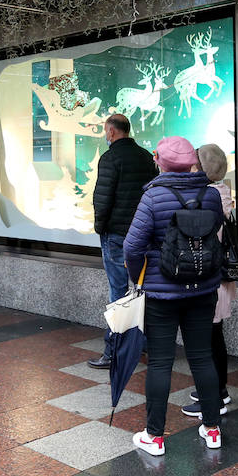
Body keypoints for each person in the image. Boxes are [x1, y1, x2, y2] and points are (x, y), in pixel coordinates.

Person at [123, 136, 226, 456]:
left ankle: (154, 436)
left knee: (160, 362)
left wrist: (139, 276)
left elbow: (131, 247)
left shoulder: (153, 197)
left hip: (161, 294)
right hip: (203, 289)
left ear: (160, 162)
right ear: (192, 161)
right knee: (202, 357)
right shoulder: (211, 195)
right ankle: (212, 429)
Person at [89, 113, 157, 369]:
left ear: (111, 131)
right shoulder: (145, 157)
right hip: (143, 234)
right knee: (142, 291)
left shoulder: (110, 158)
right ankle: (145, 345)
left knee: (118, 292)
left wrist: (100, 227)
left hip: (116, 234)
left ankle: (114, 351)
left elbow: (102, 198)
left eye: (105, 131)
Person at [181, 143, 236, 420]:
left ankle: (213, 399)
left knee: (207, 340)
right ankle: (218, 391)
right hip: (220, 277)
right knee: (214, 337)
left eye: (194, 163)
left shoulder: (208, 197)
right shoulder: (222, 192)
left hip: (210, 278)